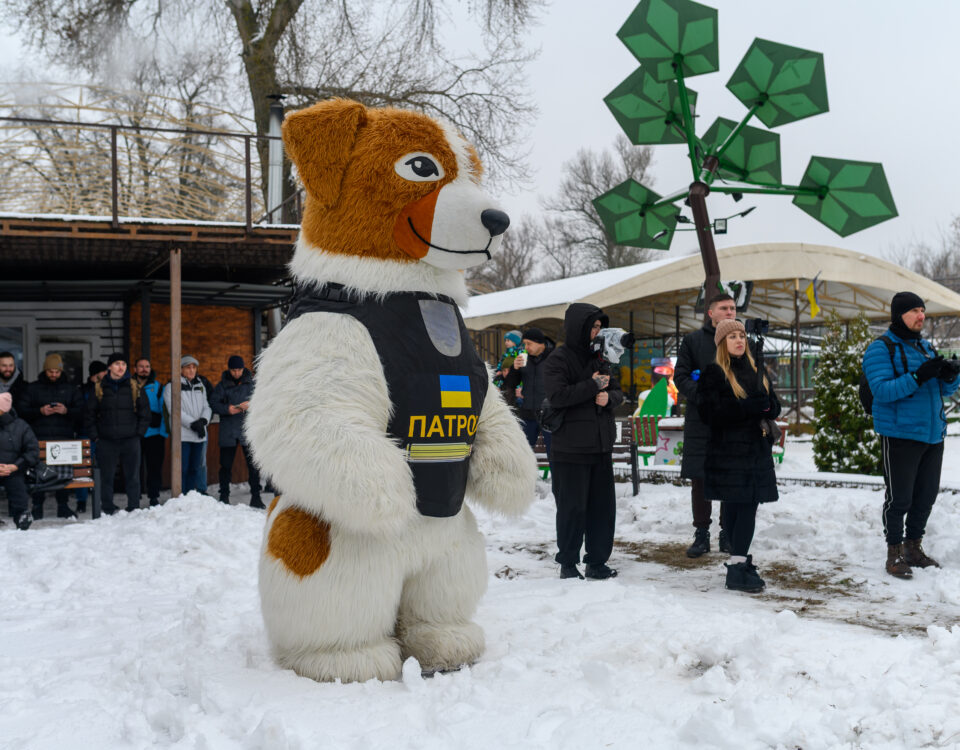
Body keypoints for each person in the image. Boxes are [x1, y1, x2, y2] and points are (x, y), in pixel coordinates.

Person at [862, 291, 960, 579]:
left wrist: (951, 374)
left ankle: (913, 548)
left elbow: (944, 391)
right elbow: (882, 391)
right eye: (915, 310)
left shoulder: (925, 347)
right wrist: (920, 376)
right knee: (899, 499)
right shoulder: (881, 349)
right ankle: (894, 554)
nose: (921, 316)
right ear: (899, 314)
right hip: (900, 433)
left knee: (925, 496)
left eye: (923, 310)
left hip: (932, 434)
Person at [696, 318, 781, 593]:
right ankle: (737, 567)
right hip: (729, 455)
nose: (739, 340)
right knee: (739, 508)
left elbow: (773, 404)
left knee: (745, 508)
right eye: (732, 336)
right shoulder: (714, 373)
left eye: (741, 335)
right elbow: (710, 413)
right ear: (722, 342)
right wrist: (747, 408)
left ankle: (738, 562)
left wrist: (767, 406)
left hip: (755, 452)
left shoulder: (755, 368)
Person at [544, 303, 623, 580]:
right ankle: (568, 562)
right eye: (593, 326)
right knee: (572, 508)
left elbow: (617, 392)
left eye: (600, 327)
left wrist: (608, 398)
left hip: (601, 446)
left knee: (603, 509)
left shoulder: (601, 358)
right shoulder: (559, 359)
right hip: (571, 448)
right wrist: (592, 386)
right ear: (579, 327)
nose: (597, 331)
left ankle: (597, 561)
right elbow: (557, 396)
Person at [674, 293, 738, 558]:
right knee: (701, 480)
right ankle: (702, 535)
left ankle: (727, 533)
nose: (730, 312)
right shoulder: (692, 341)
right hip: (701, 421)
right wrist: (702, 396)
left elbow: (753, 375)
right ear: (710, 313)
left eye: (733, 308)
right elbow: (681, 376)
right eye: (724, 308)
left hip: (733, 422)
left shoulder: (740, 340)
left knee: (730, 478)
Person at [18, 353, 83, 519]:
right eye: (50, 371)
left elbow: (82, 411)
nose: (54, 374)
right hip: (39, 438)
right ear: (45, 370)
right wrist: (40, 411)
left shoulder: (71, 389)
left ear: (61, 371)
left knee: (62, 475)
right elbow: (21, 411)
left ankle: (63, 506)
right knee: (39, 473)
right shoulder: (32, 388)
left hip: (64, 438)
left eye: (57, 371)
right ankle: (37, 506)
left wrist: (66, 411)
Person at [84, 353, 150, 514]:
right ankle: (107, 507)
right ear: (109, 367)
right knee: (106, 477)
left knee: (133, 476)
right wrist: (96, 436)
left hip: (130, 439)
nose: (120, 367)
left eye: (123, 364)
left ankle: (133, 507)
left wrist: (138, 434)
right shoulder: (99, 388)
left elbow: (145, 413)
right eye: (116, 364)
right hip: (106, 440)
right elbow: (89, 415)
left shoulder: (135, 386)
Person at [209, 355, 263, 507]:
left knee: (253, 466)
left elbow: (261, 400)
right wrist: (227, 409)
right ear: (229, 370)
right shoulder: (222, 385)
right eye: (233, 370)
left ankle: (256, 496)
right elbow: (213, 403)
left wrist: (250, 405)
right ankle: (224, 495)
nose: (236, 373)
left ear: (243, 369)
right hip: (228, 431)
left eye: (239, 370)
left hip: (247, 430)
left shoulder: (252, 384)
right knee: (225, 466)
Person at [163, 355, 212, 494]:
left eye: (194, 367)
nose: (191, 370)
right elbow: (175, 411)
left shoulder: (200, 385)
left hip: (199, 435)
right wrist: (193, 424)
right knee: (182, 469)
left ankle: (190, 496)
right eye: (188, 367)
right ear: (181, 369)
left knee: (195, 468)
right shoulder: (171, 386)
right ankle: (181, 496)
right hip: (183, 436)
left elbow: (207, 406)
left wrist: (203, 421)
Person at [503, 327, 556, 455]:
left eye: (529, 344)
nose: (526, 347)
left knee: (554, 454)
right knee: (524, 454)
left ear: (540, 343)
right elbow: (510, 384)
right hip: (528, 413)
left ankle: (556, 476)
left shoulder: (555, 358)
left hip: (550, 414)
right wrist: (514, 368)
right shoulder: (523, 358)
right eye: (524, 344)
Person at [0, 391, 39, 530]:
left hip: (13, 469)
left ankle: (22, 515)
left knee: (17, 483)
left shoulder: (21, 426)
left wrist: (15, 466)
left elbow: (33, 451)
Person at [74, 360, 108, 514]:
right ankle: (81, 501)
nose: (107, 374)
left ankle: (103, 499)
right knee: (82, 469)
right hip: (84, 433)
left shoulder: (108, 388)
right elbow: (81, 412)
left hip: (104, 434)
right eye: (104, 372)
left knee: (103, 468)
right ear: (96, 374)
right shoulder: (82, 390)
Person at [135, 358, 168, 506]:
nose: (144, 369)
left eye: (147, 366)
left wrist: (162, 433)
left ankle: (153, 496)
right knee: (135, 466)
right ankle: (135, 494)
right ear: (135, 369)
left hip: (155, 434)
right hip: (135, 434)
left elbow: (164, 411)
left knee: (154, 467)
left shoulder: (158, 387)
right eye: (141, 366)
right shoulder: (129, 386)